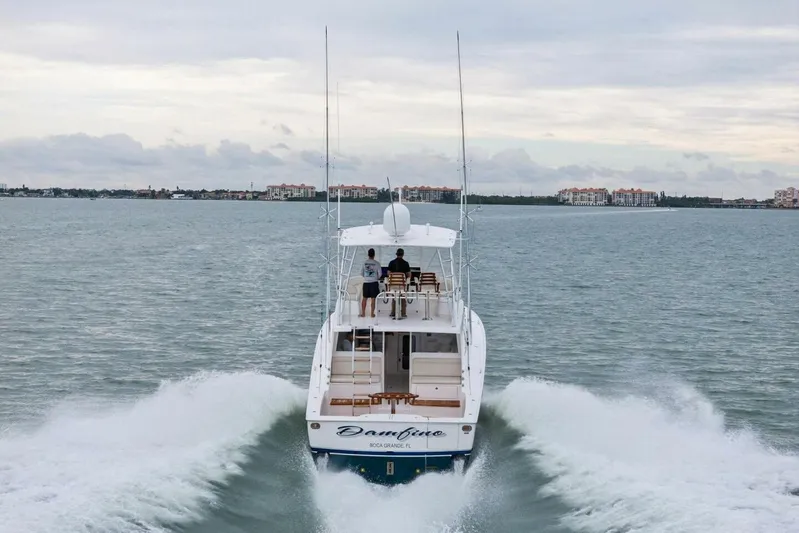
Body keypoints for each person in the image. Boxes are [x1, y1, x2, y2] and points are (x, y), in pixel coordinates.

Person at [388, 247, 411, 318]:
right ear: (403, 254)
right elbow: (409, 275)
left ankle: (393, 312)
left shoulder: (391, 263)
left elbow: (388, 273)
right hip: (402, 286)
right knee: (403, 297)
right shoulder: (406, 263)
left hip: (393, 286)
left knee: (394, 296)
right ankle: (403, 313)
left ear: (396, 254)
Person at [360, 248, 381, 318]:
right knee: (373, 299)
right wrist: (375, 278)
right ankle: (372, 314)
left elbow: (361, 273)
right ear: (374, 255)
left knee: (364, 298)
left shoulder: (364, 263)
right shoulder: (377, 263)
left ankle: (363, 313)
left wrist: (367, 277)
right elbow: (380, 274)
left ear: (368, 254)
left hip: (366, 283)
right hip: (374, 283)